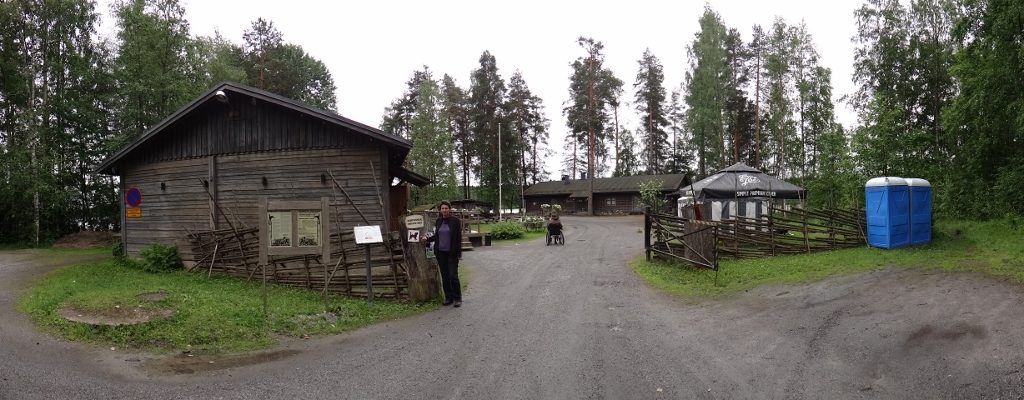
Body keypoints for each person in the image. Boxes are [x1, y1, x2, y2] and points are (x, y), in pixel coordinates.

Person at [424, 201, 463, 307]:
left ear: (449, 209)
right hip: (441, 253)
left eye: (446, 208)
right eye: (442, 208)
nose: (444, 210)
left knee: (453, 275)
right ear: (440, 210)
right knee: (445, 276)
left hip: (452, 253)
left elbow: (458, 238)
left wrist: (459, 253)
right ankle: (448, 298)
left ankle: (457, 298)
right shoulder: (439, 221)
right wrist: (427, 238)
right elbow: (437, 236)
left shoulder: (455, 221)